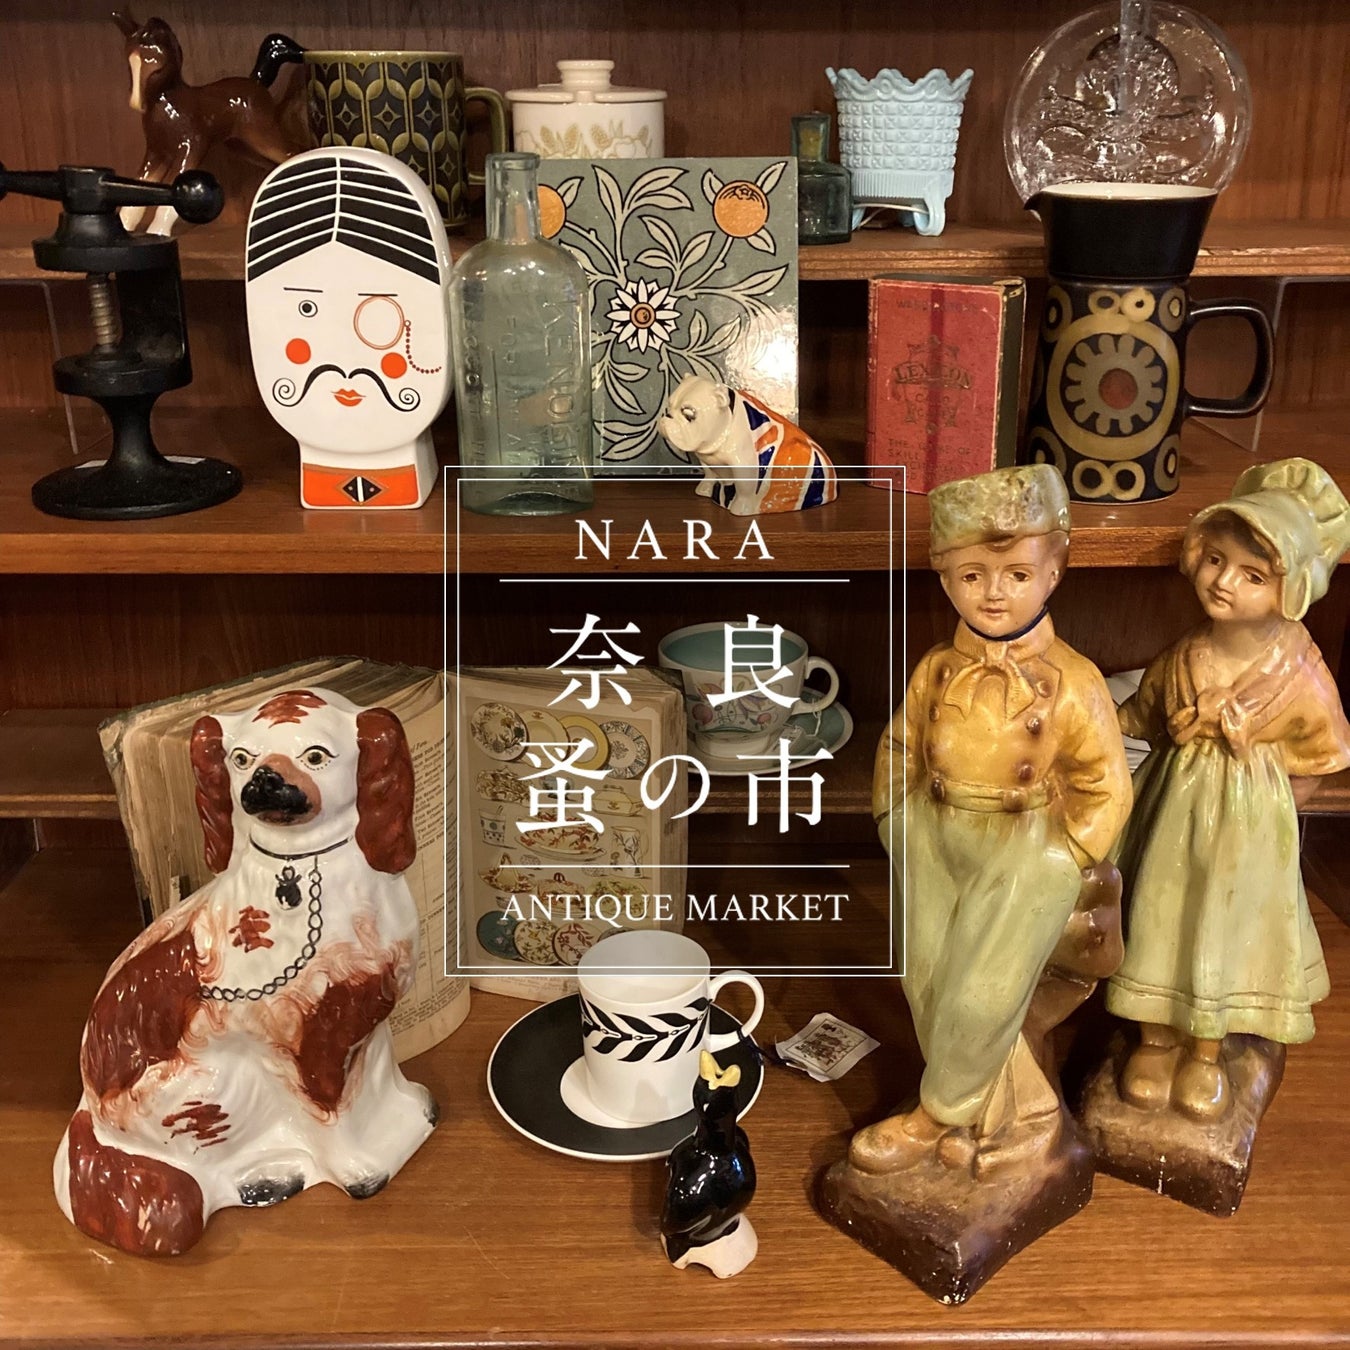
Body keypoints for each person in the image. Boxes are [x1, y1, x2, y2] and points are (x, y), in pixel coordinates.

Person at [857, 464, 1131, 1176]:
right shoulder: (935, 669)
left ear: (1054, 572)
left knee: (983, 994)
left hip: (1022, 851)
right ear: (946, 579)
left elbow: (1105, 785)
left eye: (1017, 573)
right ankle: (1007, 1114)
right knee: (926, 978)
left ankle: (935, 1116)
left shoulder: (1074, 681)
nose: (995, 592)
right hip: (935, 838)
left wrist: (1062, 858)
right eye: (972, 575)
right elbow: (899, 747)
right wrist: (898, 821)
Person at [1108, 458, 1350, 1120]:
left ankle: (1207, 1051)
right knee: (1160, 919)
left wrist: (1272, 822)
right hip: (1171, 827)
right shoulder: (1183, 657)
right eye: (1216, 560)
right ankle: (1155, 1040)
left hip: (1246, 837)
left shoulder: (1298, 674)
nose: (1223, 582)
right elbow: (1135, 717)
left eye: (1253, 575)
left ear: (1292, 589)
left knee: (1222, 931)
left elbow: (1323, 754)